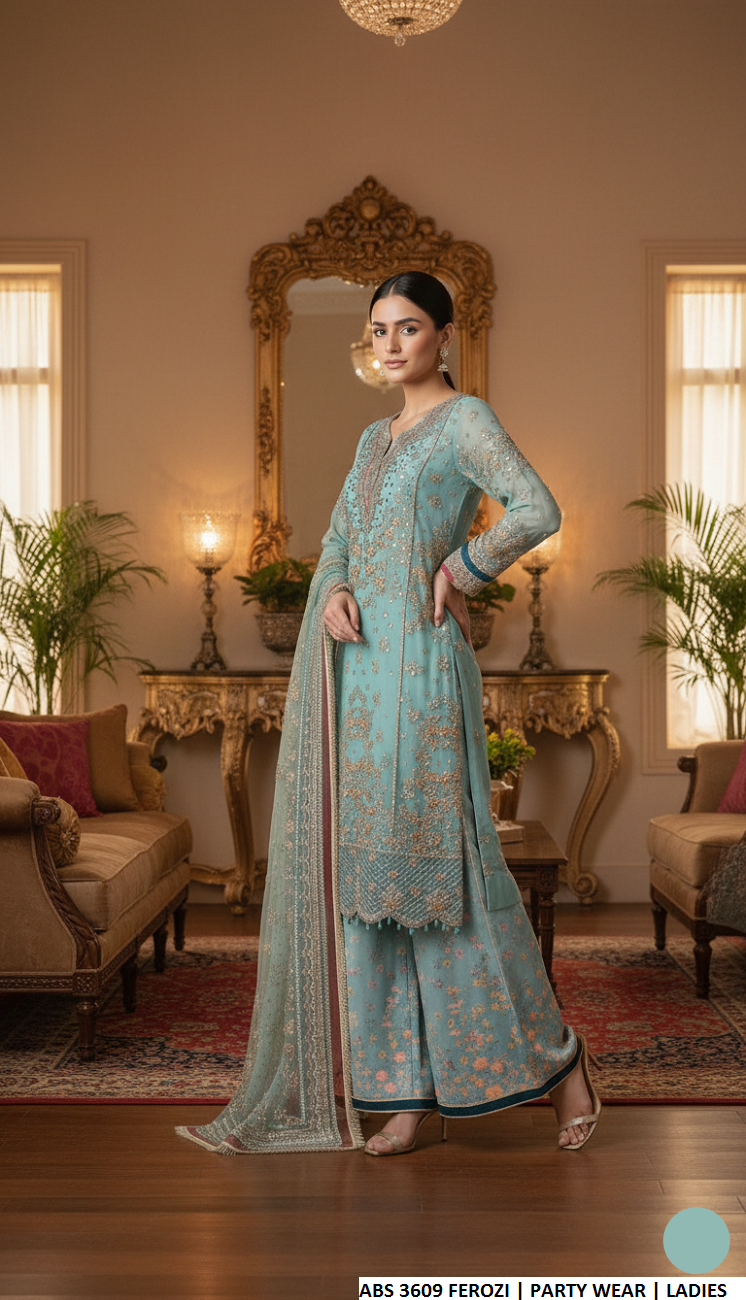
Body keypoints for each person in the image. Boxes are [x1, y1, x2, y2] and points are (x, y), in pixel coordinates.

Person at [177, 270, 600, 1157]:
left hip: (423, 674)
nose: (392, 343)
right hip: (359, 679)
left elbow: (538, 507)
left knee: (452, 882)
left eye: (409, 327)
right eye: (379, 329)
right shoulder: (374, 439)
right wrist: (333, 587)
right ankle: (405, 1094)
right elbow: (338, 538)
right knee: (368, 890)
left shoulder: (466, 420)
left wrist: (462, 569)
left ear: (443, 335)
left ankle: (562, 1066)